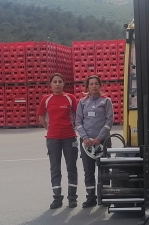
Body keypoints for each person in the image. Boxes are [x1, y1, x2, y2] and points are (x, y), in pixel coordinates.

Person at [37, 73, 79, 209]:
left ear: (63, 83)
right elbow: (41, 116)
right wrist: (48, 129)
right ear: (50, 84)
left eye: (60, 81)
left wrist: (75, 127)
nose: (57, 84)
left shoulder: (70, 98)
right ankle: (57, 198)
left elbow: (78, 115)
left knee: (71, 167)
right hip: (53, 139)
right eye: (54, 82)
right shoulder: (46, 99)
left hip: (69, 137)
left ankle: (72, 198)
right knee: (55, 168)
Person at [75, 75, 114, 208]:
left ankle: (105, 196)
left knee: (104, 169)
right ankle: (91, 196)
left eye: (96, 83)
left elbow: (109, 121)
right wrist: (85, 138)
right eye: (91, 84)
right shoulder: (82, 102)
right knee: (88, 170)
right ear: (87, 87)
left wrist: (99, 138)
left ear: (100, 85)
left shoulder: (106, 101)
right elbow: (78, 122)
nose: (94, 86)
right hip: (87, 143)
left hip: (102, 141)